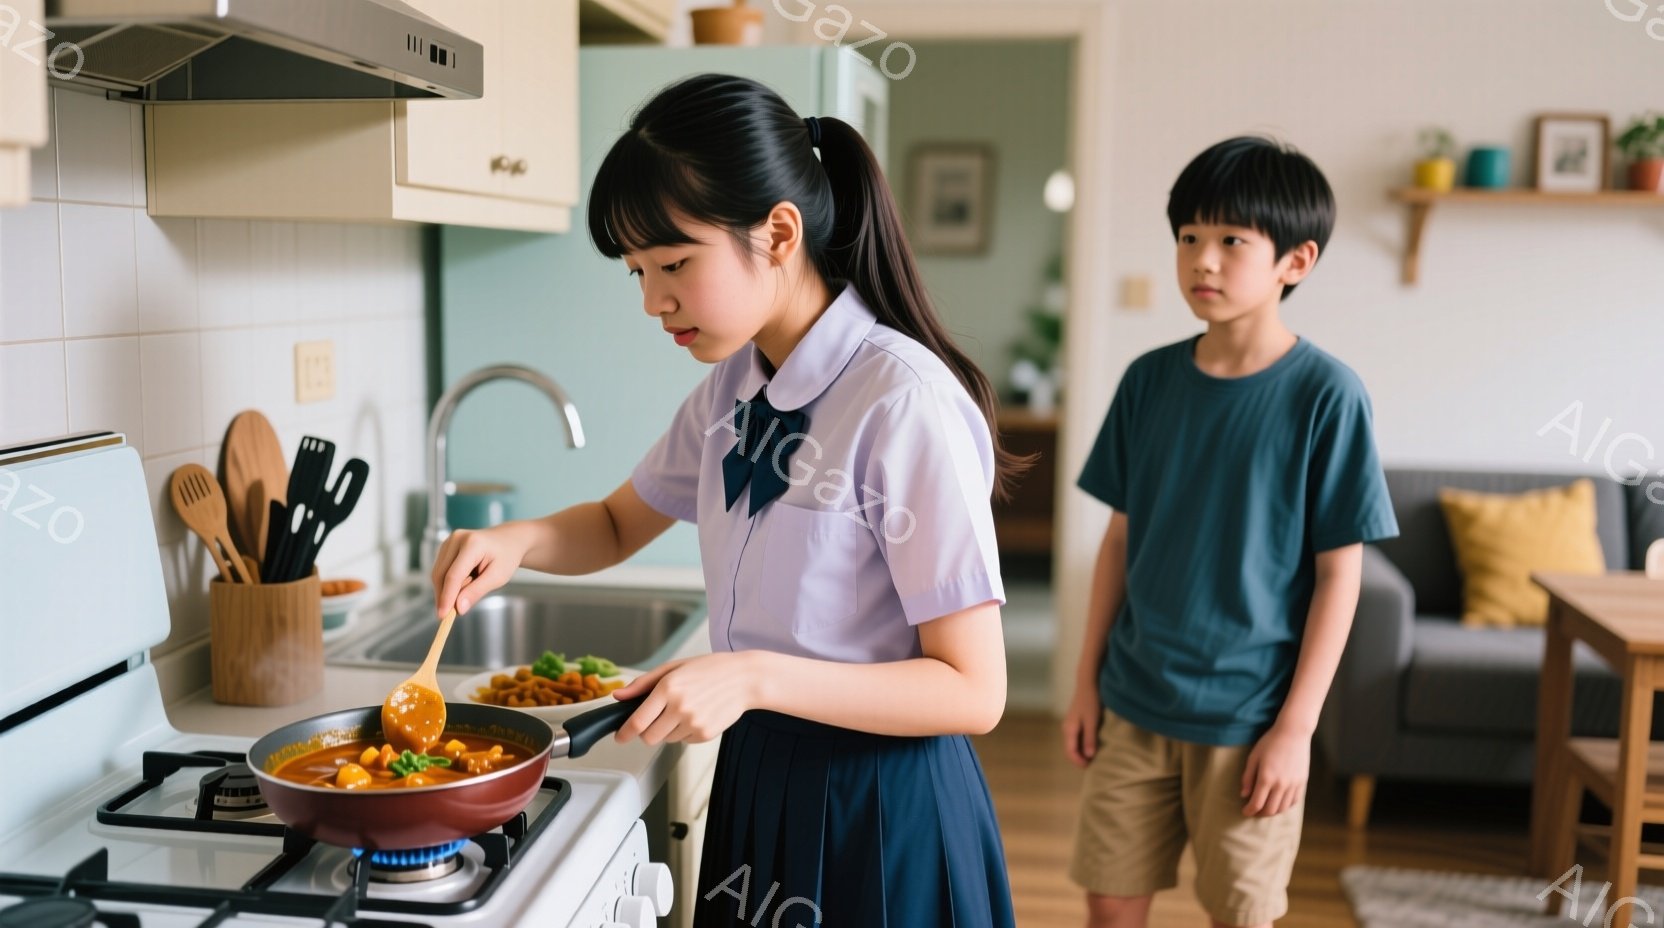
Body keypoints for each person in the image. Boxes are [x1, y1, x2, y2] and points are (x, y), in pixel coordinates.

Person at [430, 73, 1023, 927]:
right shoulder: (731, 390)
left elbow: (974, 690)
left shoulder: (902, 402)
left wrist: (749, 675)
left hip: (880, 806)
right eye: (637, 270)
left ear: (778, 232)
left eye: (674, 263)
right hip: (761, 777)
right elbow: (613, 524)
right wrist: (517, 541)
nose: (652, 300)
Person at [1061, 136, 1399, 928]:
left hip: (1250, 721)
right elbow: (1118, 542)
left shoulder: (1328, 396)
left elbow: (1339, 576)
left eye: (1230, 241)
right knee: (1109, 903)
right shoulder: (1147, 381)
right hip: (1134, 703)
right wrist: (1084, 681)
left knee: (1240, 914)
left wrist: (1296, 729)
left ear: (1296, 261)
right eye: (1188, 238)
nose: (1202, 261)